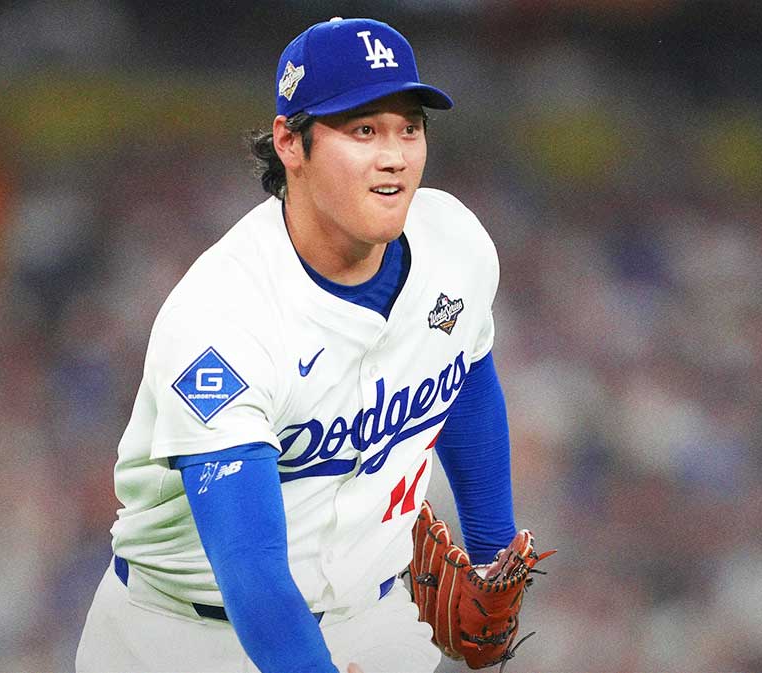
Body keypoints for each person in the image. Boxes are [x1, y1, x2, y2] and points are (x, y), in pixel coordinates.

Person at [76, 16, 519, 673]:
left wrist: (491, 548)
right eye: (364, 129)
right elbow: (252, 574)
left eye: (409, 127)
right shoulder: (224, 317)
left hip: (375, 620)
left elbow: (466, 374)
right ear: (290, 142)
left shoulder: (455, 243)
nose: (394, 154)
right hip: (182, 636)